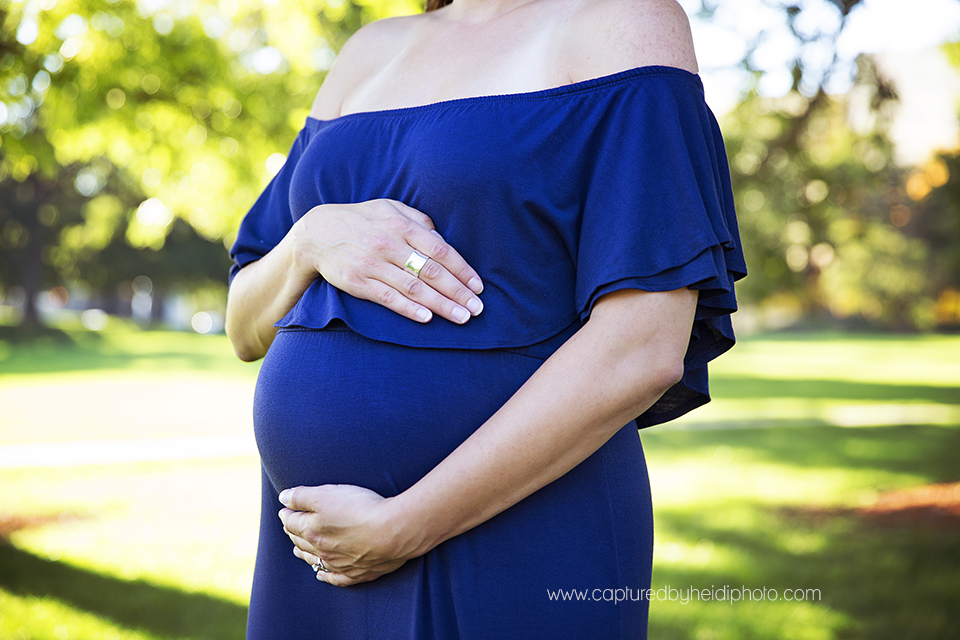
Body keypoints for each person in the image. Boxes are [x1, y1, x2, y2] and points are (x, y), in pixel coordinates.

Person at [225, 0, 746, 636]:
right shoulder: (369, 51)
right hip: (313, 553)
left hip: (518, 532)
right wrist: (309, 239)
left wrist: (405, 524)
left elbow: (641, 347)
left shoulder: (625, 22)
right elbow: (243, 324)